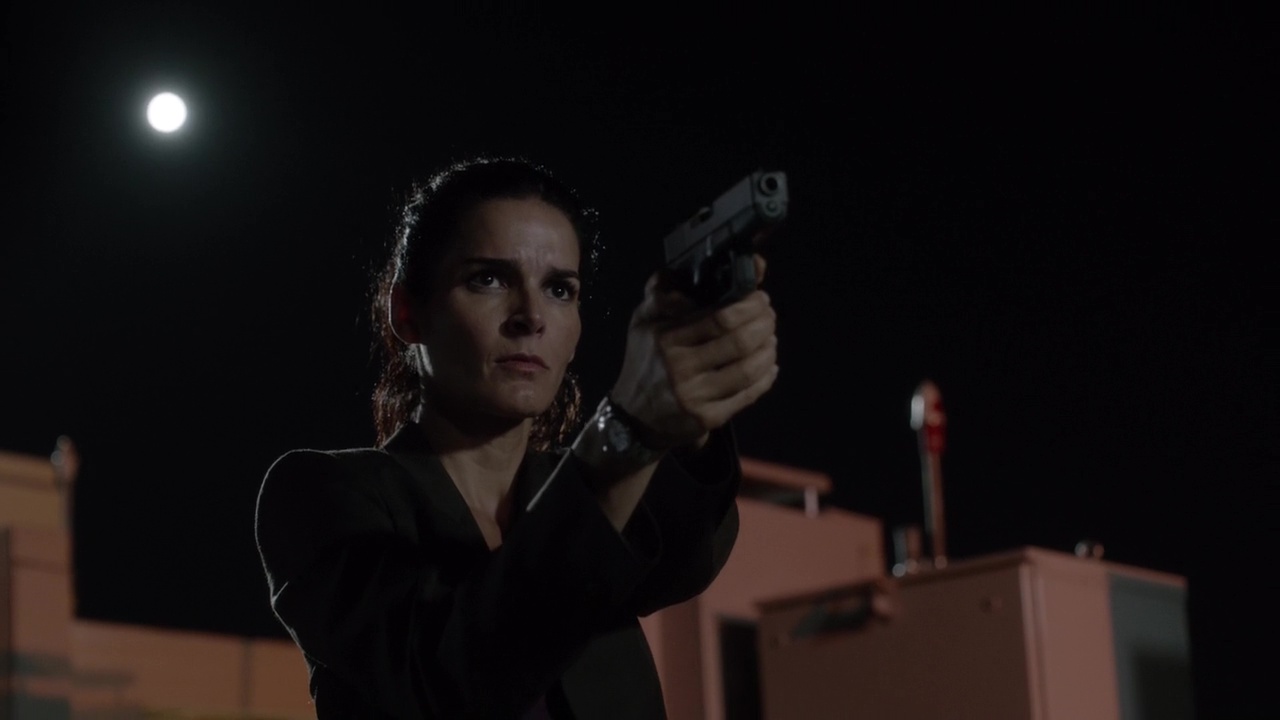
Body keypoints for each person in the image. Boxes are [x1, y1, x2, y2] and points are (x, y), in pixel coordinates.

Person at [254, 155, 778, 719]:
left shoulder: (585, 486)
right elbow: (441, 674)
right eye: (487, 279)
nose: (531, 315)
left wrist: (690, 413)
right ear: (407, 313)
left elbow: (688, 552)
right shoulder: (320, 493)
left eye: (559, 289)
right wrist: (628, 427)